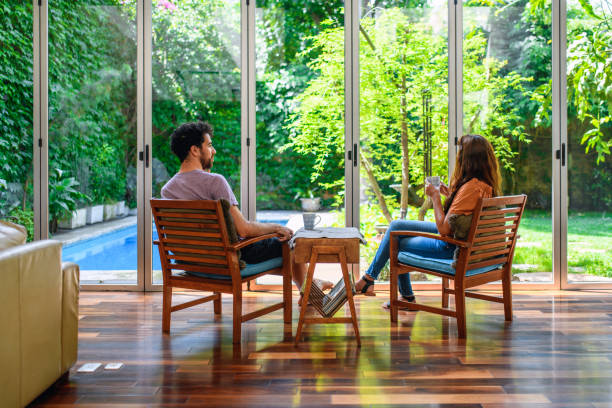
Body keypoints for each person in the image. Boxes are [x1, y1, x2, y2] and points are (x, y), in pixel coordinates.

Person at [160, 121, 331, 296]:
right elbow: (244, 229)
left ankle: (311, 286)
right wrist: (277, 227)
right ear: (195, 150)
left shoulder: (167, 190)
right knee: (291, 241)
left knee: (283, 250)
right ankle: (310, 289)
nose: (214, 151)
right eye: (209, 145)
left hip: (194, 263)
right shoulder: (214, 182)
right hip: (227, 261)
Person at [354, 134, 502, 309]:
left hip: (452, 246)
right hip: (462, 240)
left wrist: (435, 197)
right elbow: (463, 214)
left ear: (468, 159)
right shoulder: (483, 185)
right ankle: (373, 281)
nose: (458, 156)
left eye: (460, 152)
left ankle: (378, 284)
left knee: (396, 240)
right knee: (396, 226)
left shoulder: (470, 188)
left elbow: (444, 229)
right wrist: (451, 195)